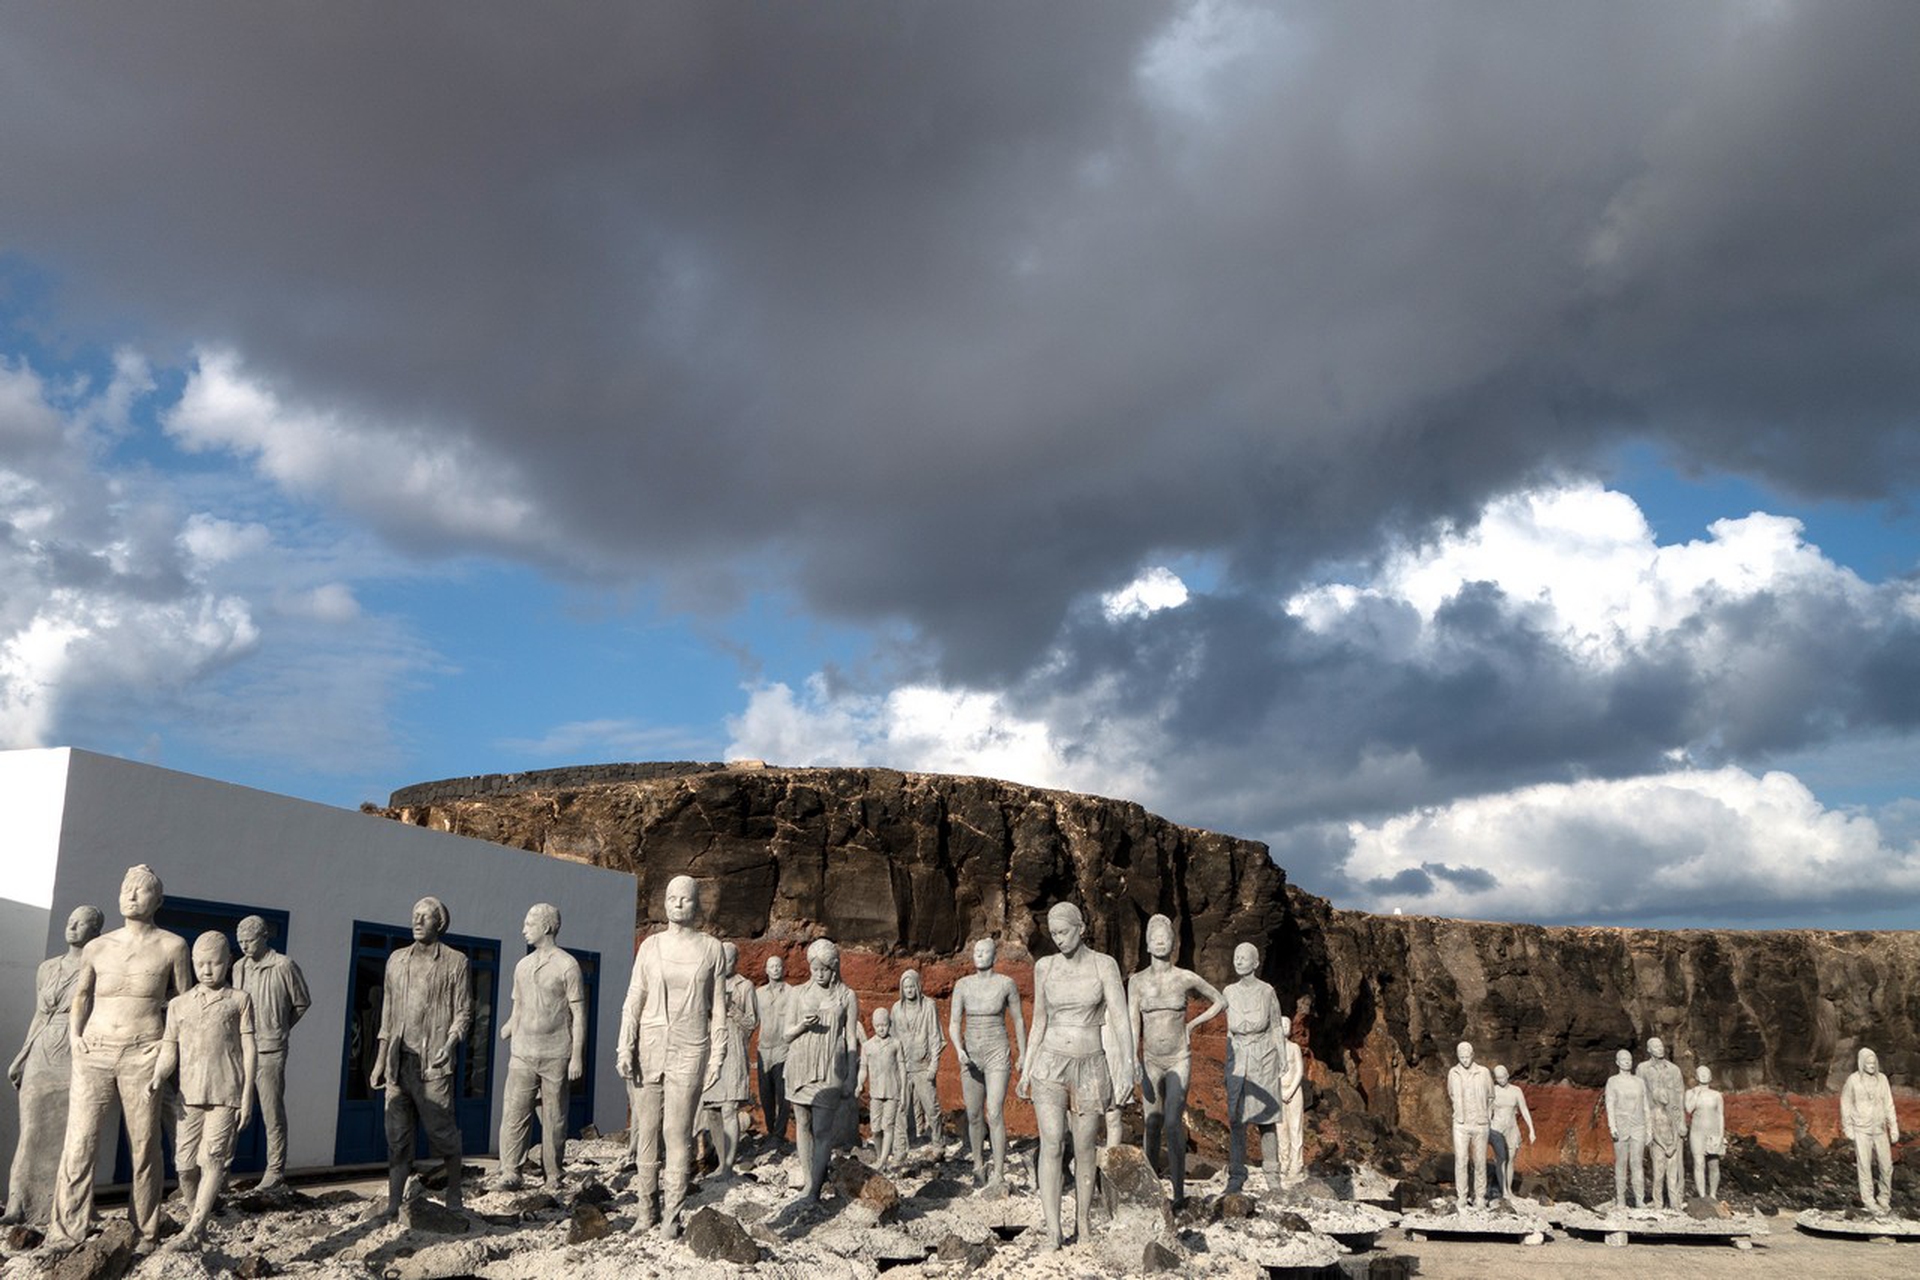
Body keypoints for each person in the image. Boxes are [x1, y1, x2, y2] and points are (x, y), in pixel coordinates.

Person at [45, 865, 192, 1255]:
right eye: (126, 888)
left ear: (157, 901)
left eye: (141, 891)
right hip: (94, 1049)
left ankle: (144, 1232)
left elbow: (182, 1005)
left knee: (144, 1146)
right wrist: (76, 1038)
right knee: (79, 1142)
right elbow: (81, 996)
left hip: (143, 1050)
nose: (130, 895)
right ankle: (65, 1231)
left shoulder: (173, 946)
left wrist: (168, 1050)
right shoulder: (98, 947)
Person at [616, 875, 728, 1236]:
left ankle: (672, 1216)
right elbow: (633, 998)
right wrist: (625, 1044)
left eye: (686, 898)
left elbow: (719, 1008)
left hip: (690, 1046)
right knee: (645, 1130)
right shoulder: (650, 946)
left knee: (677, 1133)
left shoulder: (712, 949)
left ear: (698, 905)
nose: (678, 903)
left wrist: (718, 1055)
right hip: (650, 1047)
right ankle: (646, 1210)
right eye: (672, 897)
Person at [1018, 902, 1133, 1251]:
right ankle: (1053, 1230)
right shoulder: (1045, 967)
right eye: (1053, 934)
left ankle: (1082, 1222)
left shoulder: (1104, 965)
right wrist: (1026, 1067)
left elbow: (1121, 1017)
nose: (1058, 940)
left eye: (1063, 932)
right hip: (1049, 1064)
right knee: (1051, 1143)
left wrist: (1126, 1066)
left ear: (1081, 928)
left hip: (1090, 1063)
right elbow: (1039, 1020)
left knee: (1085, 1148)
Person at [150, 932, 256, 1251]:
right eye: (201, 964)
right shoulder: (179, 1005)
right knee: (184, 1164)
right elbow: (170, 1047)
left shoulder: (239, 1000)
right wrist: (158, 1075)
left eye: (215, 963)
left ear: (228, 963)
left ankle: (196, 1227)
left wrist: (248, 1093)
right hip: (189, 1094)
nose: (208, 970)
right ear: (193, 964)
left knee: (211, 1158)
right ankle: (196, 1216)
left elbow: (250, 1047)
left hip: (226, 1091)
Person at [370, 896, 471, 1219]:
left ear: (438, 923)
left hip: (434, 1064)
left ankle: (454, 1192)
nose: (417, 921)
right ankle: (393, 1203)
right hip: (398, 1064)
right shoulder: (396, 960)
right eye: (414, 915)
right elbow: (387, 1014)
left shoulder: (456, 962)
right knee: (397, 1138)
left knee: (442, 1134)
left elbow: (464, 1012)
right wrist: (379, 1061)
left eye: (425, 916)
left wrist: (452, 1042)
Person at [2, 905, 102, 1226]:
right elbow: (39, 1015)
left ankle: (66, 1205)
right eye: (70, 921)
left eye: (81, 923)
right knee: (30, 1130)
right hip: (43, 1049)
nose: (72, 926)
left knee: (72, 1133)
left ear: (95, 931)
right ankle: (18, 1203)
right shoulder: (47, 968)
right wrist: (22, 1054)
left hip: (76, 1048)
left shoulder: (98, 969)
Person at [1127, 913, 1223, 1207]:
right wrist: (1132, 1057)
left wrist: (1192, 1026)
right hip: (1151, 1059)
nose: (1160, 940)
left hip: (1179, 1057)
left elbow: (1220, 1000)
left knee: (1171, 1121)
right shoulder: (1137, 982)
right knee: (1151, 1123)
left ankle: (1179, 1191)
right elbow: (1133, 1023)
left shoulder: (1185, 977)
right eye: (1154, 936)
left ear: (1173, 943)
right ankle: (1151, 1189)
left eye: (1165, 936)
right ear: (1146, 944)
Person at [495, 903, 585, 1191]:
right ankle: (510, 1171)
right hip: (522, 1050)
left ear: (546, 927)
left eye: (528, 924)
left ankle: (554, 1174)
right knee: (514, 1111)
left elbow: (579, 1015)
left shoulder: (568, 966)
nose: (523, 929)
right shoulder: (522, 966)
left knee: (554, 1116)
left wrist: (577, 1057)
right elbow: (519, 1004)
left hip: (556, 1051)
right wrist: (509, 1025)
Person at [231, 914, 309, 1193]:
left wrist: (280, 1027)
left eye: (249, 941)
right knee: (230, 1107)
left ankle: (275, 1170)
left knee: (270, 1110)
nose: (244, 946)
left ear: (264, 937)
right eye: (240, 941)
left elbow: (301, 1002)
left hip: (271, 1048)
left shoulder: (283, 965)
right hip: (240, 1048)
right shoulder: (238, 967)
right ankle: (221, 1168)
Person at [784, 937, 860, 1204]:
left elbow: (851, 1038)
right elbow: (786, 1034)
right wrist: (802, 1026)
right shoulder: (798, 994)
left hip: (830, 1066)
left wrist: (852, 1076)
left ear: (835, 967)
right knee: (802, 1125)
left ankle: (815, 1190)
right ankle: (809, 1182)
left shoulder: (847, 996)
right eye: (815, 968)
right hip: (800, 1064)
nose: (819, 974)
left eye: (825, 969)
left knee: (822, 1130)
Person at [948, 937, 1026, 1191]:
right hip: (970, 1053)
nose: (979, 955)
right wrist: (958, 1048)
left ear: (994, 957)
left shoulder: (1006, 984)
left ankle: (999, 1171)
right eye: (976, 951)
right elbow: (954, 1022)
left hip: (996, 1051)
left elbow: (1018, 1020)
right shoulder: (963, 985)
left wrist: (1023, 1054)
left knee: (993, 1111)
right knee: (973, 1113)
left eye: (985, 952)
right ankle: (978, 1166)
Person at [1223, 942, 1288, 1194]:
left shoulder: (1267, 991)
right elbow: (1228, 1031)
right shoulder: (1228, 991)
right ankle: (1236, 1175)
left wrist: (1282, 1056)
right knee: (1237, 1120)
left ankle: (1273, 1177)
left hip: (1264, 1057)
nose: (1238, 961)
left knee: (1266, 1120)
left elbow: (1274, 1025)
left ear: (1255, 962)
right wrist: (1227, 1066)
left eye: (1243, 957)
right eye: (1235, 957)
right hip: (1239, 1056)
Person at [700, 941, 757, 1178]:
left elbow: (752, 1023)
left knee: (730, 1108)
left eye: (730, 960)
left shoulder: (745, 986)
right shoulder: (709, 984)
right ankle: (721, 1162)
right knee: (712, 1110)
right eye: (722, 960)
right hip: (712, 1050)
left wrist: (733, 1010)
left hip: (733, 1050)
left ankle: (729, 1165)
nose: (726, 965)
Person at [889, 969, 943, 1150]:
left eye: (912, 986)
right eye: (905, 987)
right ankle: (906, 1144)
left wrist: (934, 1063)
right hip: (904, 1065)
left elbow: (935, 1035)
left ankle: (938, 1142)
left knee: (931, 1107)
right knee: (903, 1106)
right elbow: (892, 1038)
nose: (909, 990)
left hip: (923, 1064)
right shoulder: (896, 1009)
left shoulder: (929, 1006)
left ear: (918, 986)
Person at [1841, 1047, 1899, 1215]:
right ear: (1861, 1063)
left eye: (1874, 1063)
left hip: (1880, 1129)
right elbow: (1846, 1103)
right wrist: (1848, 1127)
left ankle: (1884, 1199)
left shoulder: (1882, 1080)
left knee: (1886, 1166)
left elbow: (1889, 1104)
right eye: (1868, 1063)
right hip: (1861, 1129)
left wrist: (1893, 1127)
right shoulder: (1853, 1080)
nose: (1871, 1065)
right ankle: (1868, 1200)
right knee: (1864, 1166)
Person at [1637, 1036, 1685, 1210]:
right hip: (1652, 1118)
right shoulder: (1642, 1069)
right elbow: (1640, 1094)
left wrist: (1682, 1123)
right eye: (1656, 1046)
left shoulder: (1674, 1070)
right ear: (1649, 1050)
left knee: (1676, 1167)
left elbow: (1680, 1095)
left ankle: (1676, 1202)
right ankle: (1657, 1203)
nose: (1660, 1048)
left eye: (1661, 1045)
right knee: (1658, 1167)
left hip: (1673, 1118)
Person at [856, 1007, 907, 1168]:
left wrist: (904, 1091)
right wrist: (859, 1083)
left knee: (888, 1126)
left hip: (892, 1090)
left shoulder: (896, 1044)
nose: (881, 1028)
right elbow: (863, 1068)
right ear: (873, 1025)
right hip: (876, 1092)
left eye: (884, 1025)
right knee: (876, 1128)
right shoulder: (868, 1046)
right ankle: (880, 1156)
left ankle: (883, 1159)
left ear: (889, 1024)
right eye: (878, 1026)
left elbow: (902, 1069)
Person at [1448, 1041, 1494, 1212]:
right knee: (1461, 1160)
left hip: (1480, 1123)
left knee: (1480, 1161)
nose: (1465, 1060)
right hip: (1460, 1123)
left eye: (1467, 1057)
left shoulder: (1483, 1073)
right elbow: (1451, 1094)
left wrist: (1487, 1116)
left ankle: (1480, 1197)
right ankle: (1462, 1196)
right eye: (1461, 1057)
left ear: (1473, 1055)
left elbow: (1491, 1096)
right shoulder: (1453, 1073)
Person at [1604, 1048, 1650, 1210]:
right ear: (1617, 1062)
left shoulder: (1639, 1082)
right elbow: (1609, 1104)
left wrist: (1649, 1129)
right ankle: (1621, 1199)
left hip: (1638, 1125)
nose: (1627, 1061)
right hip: (1621, 1125)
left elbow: (1646, 1107)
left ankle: (1639, 1200)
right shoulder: (1613, 1081)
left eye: (1629, 1059)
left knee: (1637, 1163)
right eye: (1623, 1059)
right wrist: (1612, 1126)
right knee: (1621, 1162)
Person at [755, 955, 793, 1143]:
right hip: (763, 1048)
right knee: (765, 1094)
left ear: (783, 969)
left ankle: (779, 1133)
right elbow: (752, 1019)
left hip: (783, 1048)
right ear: (766, 970)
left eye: (779, 966)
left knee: (783, 1092)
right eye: (772, 966)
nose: (776, 969)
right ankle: (771, 1130)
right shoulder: (759, 994)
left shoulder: (791, 992)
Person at [1488, 1065, 1535, 1201]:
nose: (1501, 1080)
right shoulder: (1493, 1091)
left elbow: (1524, 1110)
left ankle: (1509, 1190)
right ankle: (1504, 1191)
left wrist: (1532, 1129)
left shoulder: (1516, 1091)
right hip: (1497, 1128)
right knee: (1501, 1159)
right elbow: (1487, 1111)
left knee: (1510, 1160)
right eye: (1498, 1078)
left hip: (1512, 1128)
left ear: (1508, 1075)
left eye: (1503, 1077)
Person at [1684, 1065, 1724, 1200]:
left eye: (1707, 1073)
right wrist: (1696, 1094)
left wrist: (1721, 1135)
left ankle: (1713, 1195)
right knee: (1699, 1163)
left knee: (1713, 1164)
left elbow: (1720, 1116)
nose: (1704, 1075)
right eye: (1700, 1073)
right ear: (1696, 1076)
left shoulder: (1716, 1095)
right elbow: (1689, 1109)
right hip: (1697, 1132)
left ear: (1711, 1077)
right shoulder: (1690, 1093)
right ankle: (1702, 1196)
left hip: (1713, 1132)